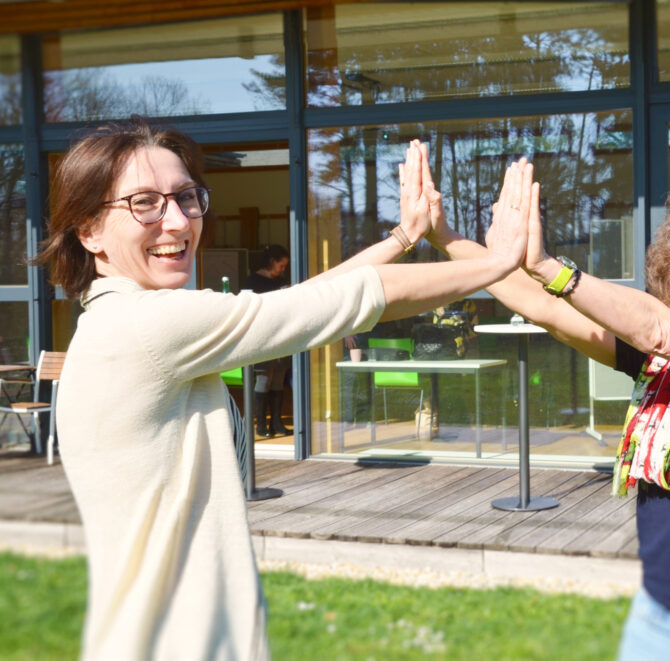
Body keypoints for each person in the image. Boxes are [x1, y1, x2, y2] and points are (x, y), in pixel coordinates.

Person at [34, 118, 532, 660]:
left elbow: (304, 302)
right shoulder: (148, 325)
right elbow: (363, 298)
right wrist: (499, 263)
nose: (176, 221)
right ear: (88, 231)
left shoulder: (116, 319)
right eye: (145, 203)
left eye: (185, 198)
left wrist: (404, 237)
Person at [415, 141, 670, 660]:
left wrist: (548, 265)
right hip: (663, 626)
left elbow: (657, 327)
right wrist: (443, 234)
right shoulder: (660, 369)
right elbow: (538, 304)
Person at [242, 244, 292, 436]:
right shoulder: (252, 281)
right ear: (272, 261)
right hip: (261, 338)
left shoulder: (280, 281)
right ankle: (261, 424)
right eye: (282, 265)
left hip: (280, 337)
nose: (283, 270)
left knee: (278, 380)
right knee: (264, 380)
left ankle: (277, 423)